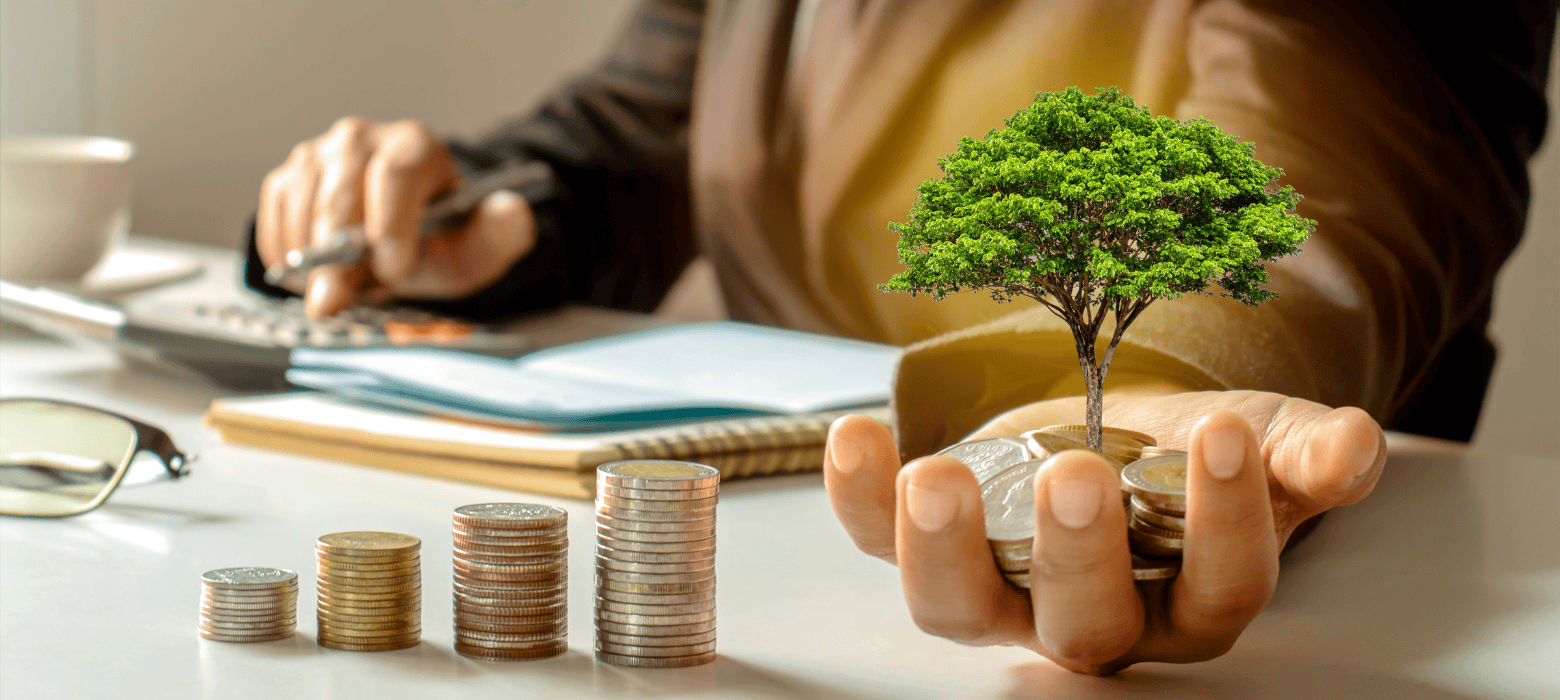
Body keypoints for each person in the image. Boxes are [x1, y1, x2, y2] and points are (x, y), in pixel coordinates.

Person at [245, 0, 1555, 675]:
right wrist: (494, 210)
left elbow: (1338, 153)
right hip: (794, 582)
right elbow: (643, 128)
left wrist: (1155, 377)